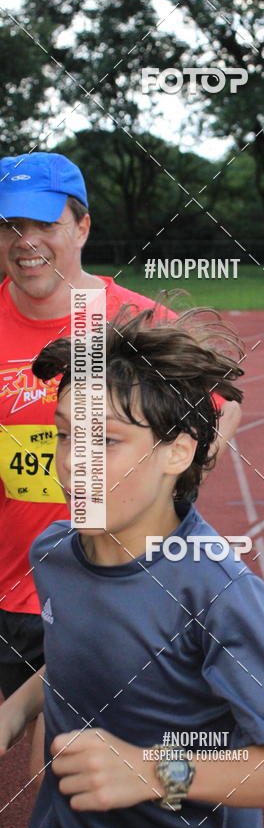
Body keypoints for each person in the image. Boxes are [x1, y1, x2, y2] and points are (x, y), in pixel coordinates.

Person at [0, 308, 264, 828]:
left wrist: (151, 770)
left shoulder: (216, 591)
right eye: (65, 434)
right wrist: (17, 710)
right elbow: (78, 647)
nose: (75, 464)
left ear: (178, 451)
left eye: (106, 441)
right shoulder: (53, 551)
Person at [0, 151, 241, 703]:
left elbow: (222, 406)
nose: (24, 241)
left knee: (73, 767)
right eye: (11, 225)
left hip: (115, 590)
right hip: (9, 590)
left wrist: (181, 476)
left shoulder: (135, 320)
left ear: (82, 226)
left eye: (44, 224)